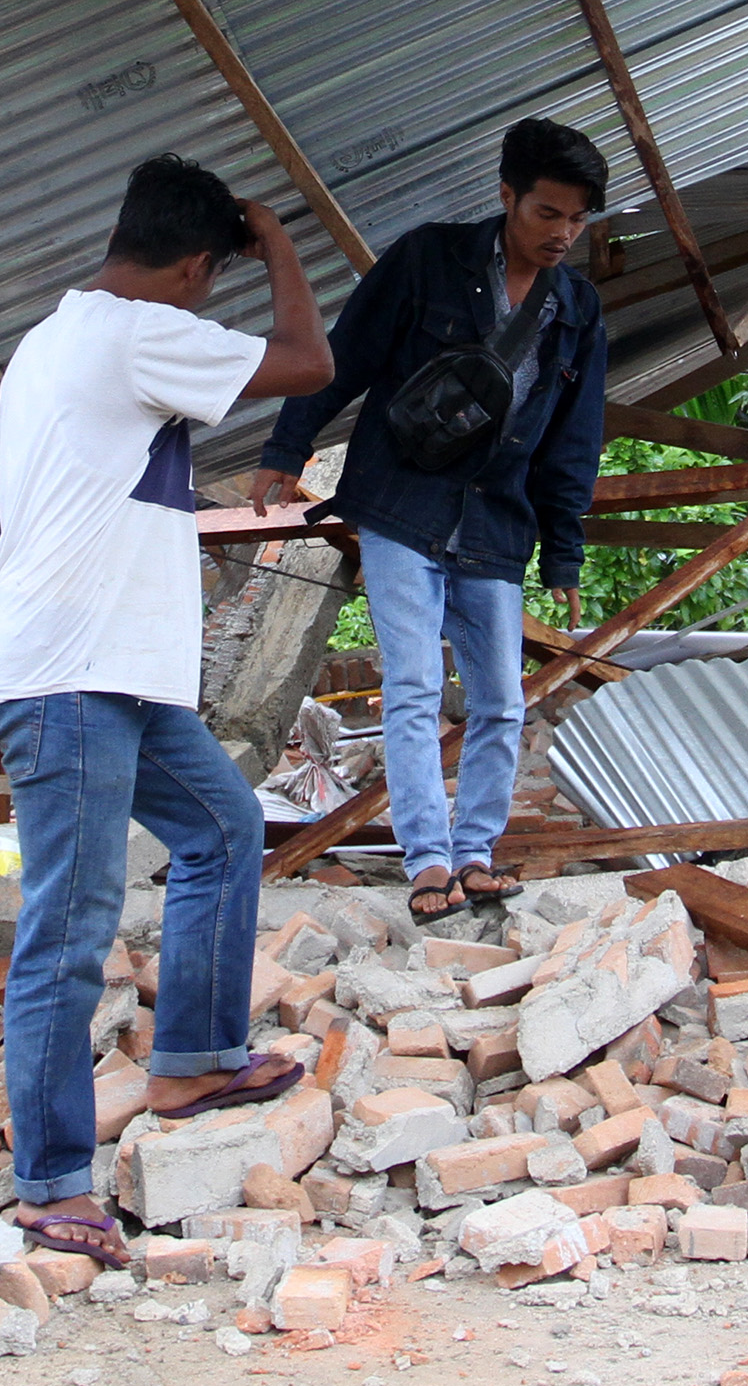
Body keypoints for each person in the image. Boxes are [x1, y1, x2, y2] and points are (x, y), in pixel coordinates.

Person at [0, 153, 336, 1266]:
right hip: (72, 677)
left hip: (110, 672)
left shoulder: (59, 336)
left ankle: (191, 1057)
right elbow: (310, 362)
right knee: (71, 926)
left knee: (223, 827)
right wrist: (277, 242)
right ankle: (48, 1184)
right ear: (191, 266)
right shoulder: (135, 330)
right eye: (211, 276)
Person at [247, 117, 610, 923]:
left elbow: (573, 441)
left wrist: (565, 555)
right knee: (412, 688)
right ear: (508, 194)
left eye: (579, 220)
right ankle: (427, 861)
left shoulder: (577, 310)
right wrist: (288, 443)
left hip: (495, 521)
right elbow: (346, 356)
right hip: (403, 505)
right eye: (548, 213)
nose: (563, 234)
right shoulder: (429, 259)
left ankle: (477, 852)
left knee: (501, 702)